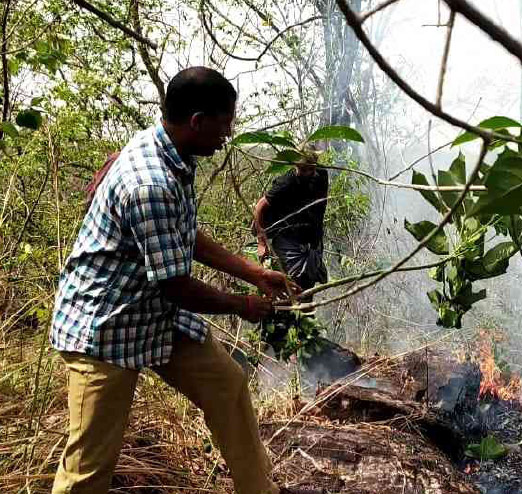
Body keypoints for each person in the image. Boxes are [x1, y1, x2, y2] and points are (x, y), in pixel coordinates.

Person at [50, 67, 298, 494]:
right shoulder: (151, 182)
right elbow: (175, 285)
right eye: (224, 124)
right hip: (103, 327)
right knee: (88, 468)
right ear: (198, 122)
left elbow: (182, 235)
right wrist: (244, 305)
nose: (228, 135)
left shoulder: (173, 154)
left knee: (227, 384)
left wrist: (254, 272)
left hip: (152, 314)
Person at [253, 154, 329, 294]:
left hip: (312, 239)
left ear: (313, 167)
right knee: (295, 287)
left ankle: (304, 313)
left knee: (308, 287)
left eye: (305, 169)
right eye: (298, 168)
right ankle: (287, 312)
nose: (300, 172)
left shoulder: (322, 175)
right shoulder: (287, 182)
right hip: (289, 240)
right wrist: (261, 243)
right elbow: (259, 206)